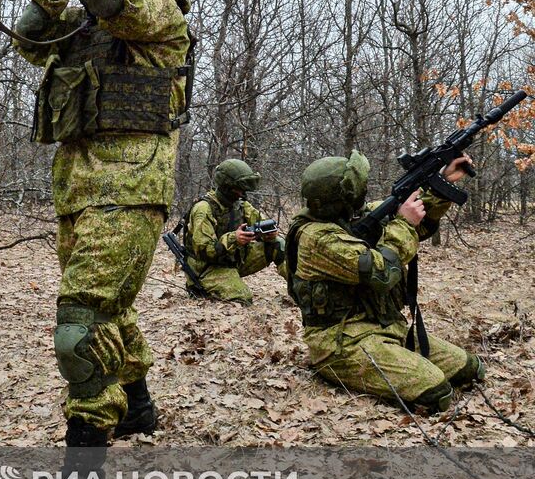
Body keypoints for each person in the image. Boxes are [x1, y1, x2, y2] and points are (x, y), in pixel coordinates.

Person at [5, 0, 194, 454]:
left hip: (131, 189)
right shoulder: (80, 29)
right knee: (111, 307)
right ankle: (137, 408)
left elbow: (114, 2)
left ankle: (82, 471)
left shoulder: (157, 9)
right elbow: (28, 39)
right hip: (78, 190)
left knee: (80, 325)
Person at [285, 150, 485, 413]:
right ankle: (334, 370)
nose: (364, 191)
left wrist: (442, 182)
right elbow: (383, 272)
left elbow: (412, 217)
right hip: (342, 343)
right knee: (436, 393)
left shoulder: (352, 218)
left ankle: (394, 357)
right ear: (343, 197)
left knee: (471, 370)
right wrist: (404, 223)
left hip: (387, 328)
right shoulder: (317, 238)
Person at [182, 159, 287, 304]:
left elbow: (261, 223)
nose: (242, 193)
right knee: (242, 298)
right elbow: (203, 250)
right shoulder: (204, 209)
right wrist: (233, 239)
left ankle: (302, 289)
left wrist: (269, 234)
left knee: (278, 245)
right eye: (239, 189)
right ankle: (203, 288)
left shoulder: (240, 205)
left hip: (233, 260)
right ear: (227, 187)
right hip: (208, 268)